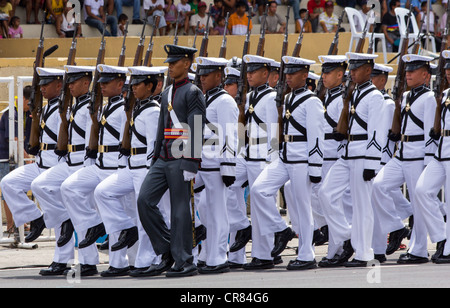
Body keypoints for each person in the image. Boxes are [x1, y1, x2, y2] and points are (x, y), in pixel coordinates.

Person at [137, 44, 206, 278]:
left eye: (174, 63)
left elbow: (196, 127)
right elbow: (161, 127)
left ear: (186, 64)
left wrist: (192, 161)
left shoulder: (193, 92)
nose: (170, 67)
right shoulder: (166, 92)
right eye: (169, 63)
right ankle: (167, 250)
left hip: (181, 157)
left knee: (179, 211)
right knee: (144, 201)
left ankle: (185, 260)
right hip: (163, 158)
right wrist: (156, 156)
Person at [251, 55, 324, 271]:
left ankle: (307, 255)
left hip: (302, 159)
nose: (288, 77)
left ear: (305, 75)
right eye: (287, 73)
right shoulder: (289, 98)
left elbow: (316, 137)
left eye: (293, 73)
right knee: (259, 190)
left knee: (303, 208)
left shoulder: (312, 102)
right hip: (285, 156)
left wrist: (315, 167)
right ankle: (281, 229)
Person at [95, 66, 165, 277]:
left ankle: (147, 261)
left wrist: (152, 171)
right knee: (103, 192)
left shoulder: (152, 110)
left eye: (137, 84)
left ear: (150, 86)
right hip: (130, 167)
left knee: (144, 215)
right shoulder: (137, 108)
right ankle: (127, 228)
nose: (132, 88)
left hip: (145, 168)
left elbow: (154, 144)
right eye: (132, 84)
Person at [30, 65, 100, 277]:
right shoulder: (71, 105)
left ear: (86, 83)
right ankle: (63, 250)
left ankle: (87, 262)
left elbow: (92, 139)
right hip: (69, 162)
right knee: (40, 185)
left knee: (81, 211)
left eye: (73, 82)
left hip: (84, 163)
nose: (69, 86)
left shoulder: (89, 106)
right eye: (68, 82)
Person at [319, 52, 386, 267]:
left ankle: (364, 253)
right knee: (325, 193)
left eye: (357, 69)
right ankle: (347, 235)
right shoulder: (353, 93)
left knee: (362, 206)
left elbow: (377, 132)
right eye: (352, 69)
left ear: (369, 70)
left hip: (363, 154)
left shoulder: (374, 96)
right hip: (347, 153)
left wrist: (372, 164)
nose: (353, 72)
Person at [60, 64, 128, 277]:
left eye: (107, 83)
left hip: (115, 168)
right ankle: (93, 231)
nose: (103, 87)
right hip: (98, 166)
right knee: (69, 188)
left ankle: (120, 263)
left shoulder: (125, 108)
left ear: (120, 84)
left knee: (115, 211)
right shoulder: (103, 107)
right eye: (101, 84)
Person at [371, 54, 437, 265]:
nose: (408, 73)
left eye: (413, 70)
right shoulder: (406, 96)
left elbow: (430, 133)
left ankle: (418, 250)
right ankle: (396, 226)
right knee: (378, 185)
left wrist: (428, 161)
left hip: (418, 154)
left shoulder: (429, 98)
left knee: (419, 205)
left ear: (425, 75)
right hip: (402, 153)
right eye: (407, 70)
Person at [1, 68, 65, 273]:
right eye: (41, 85)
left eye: (46, 85)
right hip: (40, 164)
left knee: (59, 216)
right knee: (8, 183)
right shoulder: (43, 109)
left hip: (56, 166)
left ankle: (60, 260)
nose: (42, 89)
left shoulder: (65, 108)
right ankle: (35, 218)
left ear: (59, 85)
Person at [193, 57, 238, 274]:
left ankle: (219, 257)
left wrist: (228, 166)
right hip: (201, 163)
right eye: (200, 74)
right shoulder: (203, 98)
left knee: (218, 212)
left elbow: (230, 135)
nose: (201, 78)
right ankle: (207, 252)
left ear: (218, 76)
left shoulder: (224, 101)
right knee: (202, 208)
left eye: (206, 74)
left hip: (216, 165)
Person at [414, 49, 450, 264]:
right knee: (421, 190)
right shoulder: (445, 95)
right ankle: (441, 237)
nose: (447, 72)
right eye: (446, 68)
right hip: (441, 150)